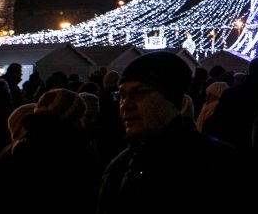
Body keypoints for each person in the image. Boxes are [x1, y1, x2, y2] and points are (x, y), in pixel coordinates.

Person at [98, 52, 244, 214]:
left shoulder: (216, 164)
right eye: (122, 95)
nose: (126, 105)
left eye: (139, 93)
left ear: (172, 99)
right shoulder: (120, 166)